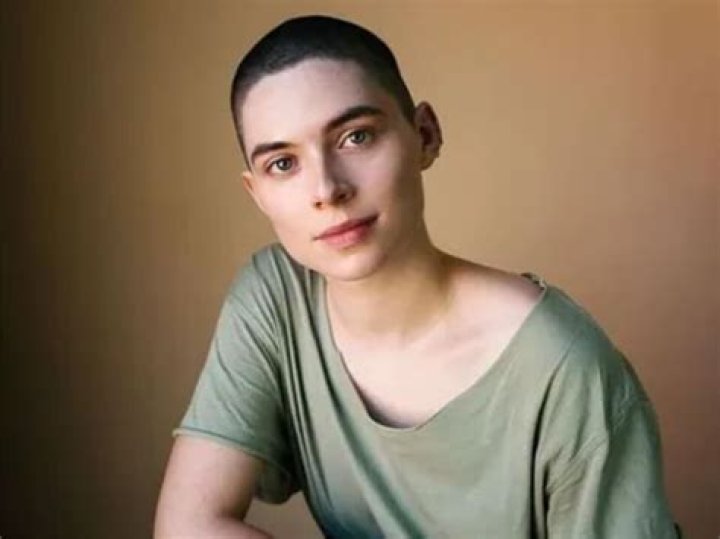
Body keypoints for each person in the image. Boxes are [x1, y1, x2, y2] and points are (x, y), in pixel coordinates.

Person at [154, 15, 680, 538]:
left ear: (425, 135)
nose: (327, 189)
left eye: (356, 137)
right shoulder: (276, 297)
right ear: (257, 193)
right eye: (283, 165)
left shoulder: (564, 369)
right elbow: (187, 526)